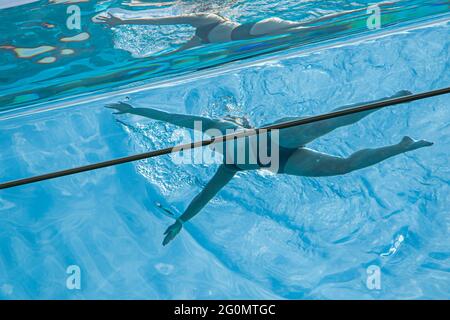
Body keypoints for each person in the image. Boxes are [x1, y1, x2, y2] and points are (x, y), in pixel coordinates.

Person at [106, 90, 433, 245]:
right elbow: (204, 196)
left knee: (332, 121)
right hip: (280, 161)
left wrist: (135, 108)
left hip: (277, 135)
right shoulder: (228, 166)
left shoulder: (216, 127)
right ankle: (402, 146)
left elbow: (173, 118)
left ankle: (389, 99)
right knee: (343, 168)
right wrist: (181, 220)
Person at [94, 6, 372, 52]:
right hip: (256, 33)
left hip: (256, 30)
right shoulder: (198, 35)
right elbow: (178, 54)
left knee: (309, 29)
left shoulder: (204, 18)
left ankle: (357, 17)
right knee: (308, 29)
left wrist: (123, 21)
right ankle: (348, 22)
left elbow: (159, 23)